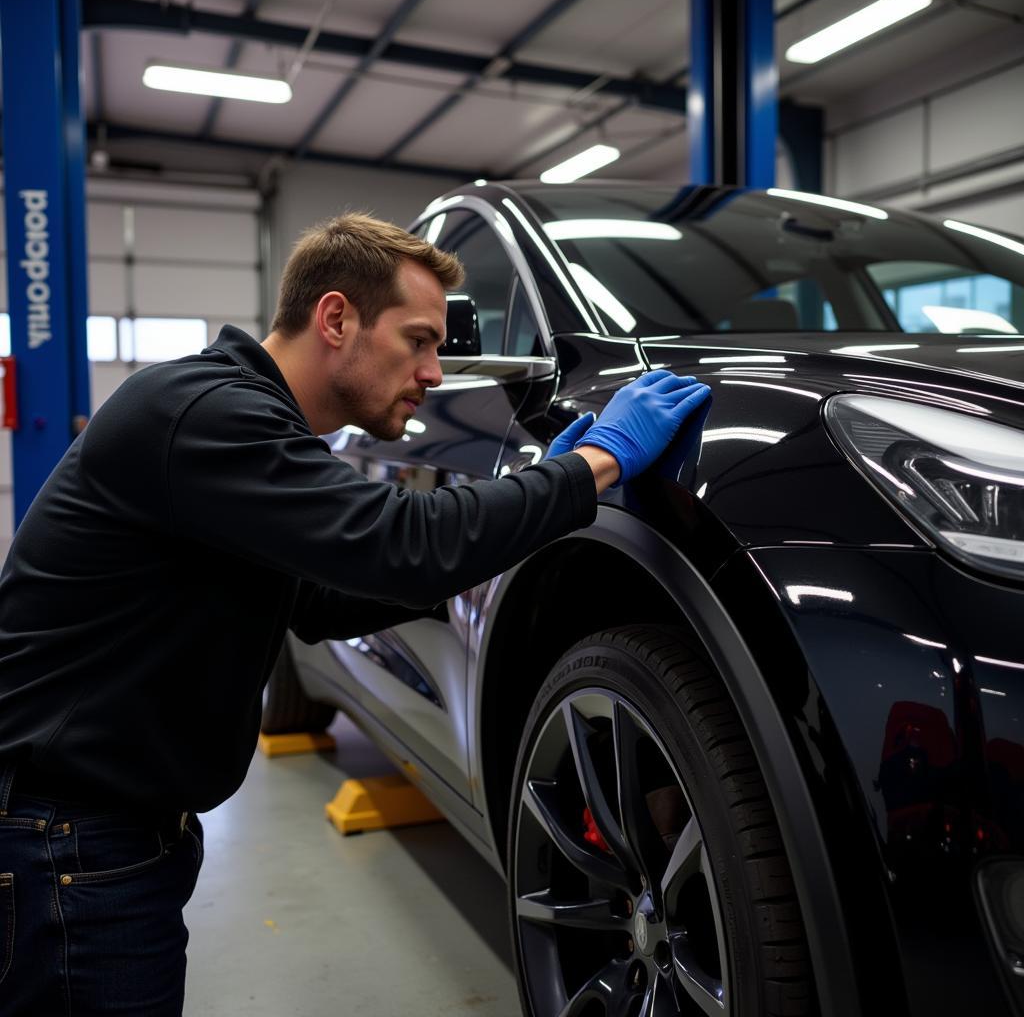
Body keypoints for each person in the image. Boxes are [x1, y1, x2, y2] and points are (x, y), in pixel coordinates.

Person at [0, 213, 711, 1015]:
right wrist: (591, 464)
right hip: (61, 840)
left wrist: (518, 521)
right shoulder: (204, 412)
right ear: (336, 319)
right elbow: (400, 544)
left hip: (91, 836)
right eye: (419, 341)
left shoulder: (232, 419)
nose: (437, 373)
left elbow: (327, 598)